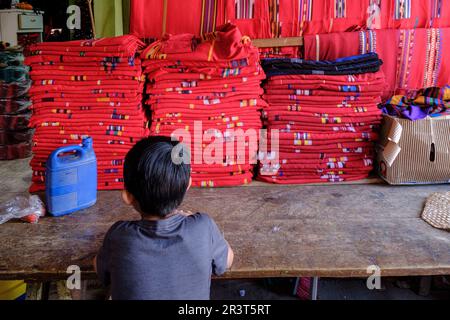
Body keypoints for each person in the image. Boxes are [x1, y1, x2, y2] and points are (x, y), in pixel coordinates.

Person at [94, 136, 234, 300]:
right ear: (188, 185)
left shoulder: (118, 235)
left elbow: (99, 269)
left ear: (127, 197)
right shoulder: (203, 226)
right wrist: (198, 224)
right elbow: (226, 262)